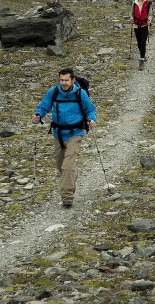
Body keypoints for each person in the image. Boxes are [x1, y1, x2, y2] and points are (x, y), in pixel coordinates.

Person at [32, 68, 96, 207]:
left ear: (73, 80)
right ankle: (71, 178)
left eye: (66, 80)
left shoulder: (80, 93)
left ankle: (67, 197)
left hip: (76, 133)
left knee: (67, 165)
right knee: (60, 166)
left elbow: (90, 109)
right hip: (58, 133)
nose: (64, 83)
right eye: (61, 80)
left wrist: (91, 119)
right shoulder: (54, 92)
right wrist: (38, 114)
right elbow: (44, 106)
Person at [131, 0, 153, 69]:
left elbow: (150, 14)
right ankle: (142, 54)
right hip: (136, 25)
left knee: (143, 42)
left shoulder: (149, 3)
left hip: (144, 24)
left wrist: (149, 20)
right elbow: (132, 13)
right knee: (139, 42)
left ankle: (142, 59)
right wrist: (131, 19)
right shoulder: (134, 3)